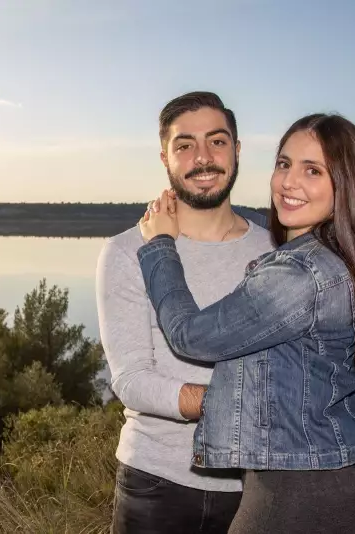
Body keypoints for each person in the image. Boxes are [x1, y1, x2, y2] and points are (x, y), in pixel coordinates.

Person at [137, 112, 355, 533]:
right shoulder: (349, 260)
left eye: (312, 170)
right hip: (346, 487)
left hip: (295, 501)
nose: (288, 182)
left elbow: (191, 335)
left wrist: (160, 245)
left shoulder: (300, 275)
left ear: (347, 185)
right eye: (284, 164)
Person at [95, 91, 275, 533]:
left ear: (237, 148)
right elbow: (132, 381)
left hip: (263, 486)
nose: (203, 158)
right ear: (165, 158)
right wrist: (231, 403)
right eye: (185, 145)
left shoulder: (276, 248)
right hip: (158, 485)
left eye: (216, 141)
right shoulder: (125, 251)